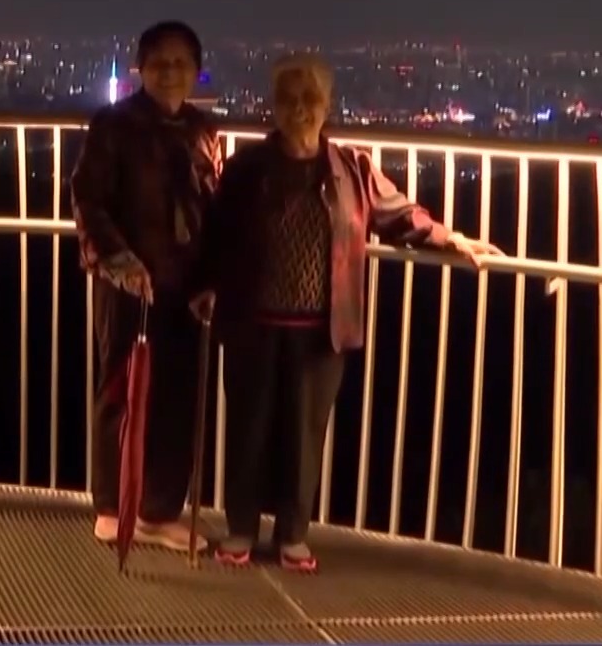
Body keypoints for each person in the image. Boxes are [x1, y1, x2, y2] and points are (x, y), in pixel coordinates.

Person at [186, 51, 501, 572]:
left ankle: (292, 534)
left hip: (322, 328)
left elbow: (399, 214)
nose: (299, 109)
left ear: (327, 105)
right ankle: (240, 528)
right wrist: (205, 284)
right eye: (289, 99)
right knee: (248, 428)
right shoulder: (245, 169)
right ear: (273, 106)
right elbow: (216, 236)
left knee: (305, 434)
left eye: (310, 98)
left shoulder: (352, 168)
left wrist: (450, 239)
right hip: (252, 322)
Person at [68, 21, 223, 552]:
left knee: (178, 398)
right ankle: (113, 507)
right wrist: (120, 262)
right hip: (130, 283)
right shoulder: (115, 125)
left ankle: (158, 510)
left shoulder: (202, 130)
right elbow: (88, 197)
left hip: (186, 285)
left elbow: (213, 210)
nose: (170, 72)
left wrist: (210, 279)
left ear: (196, 70)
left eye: (181, 63)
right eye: (159, 62)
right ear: (141, 68)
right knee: (123, 390)